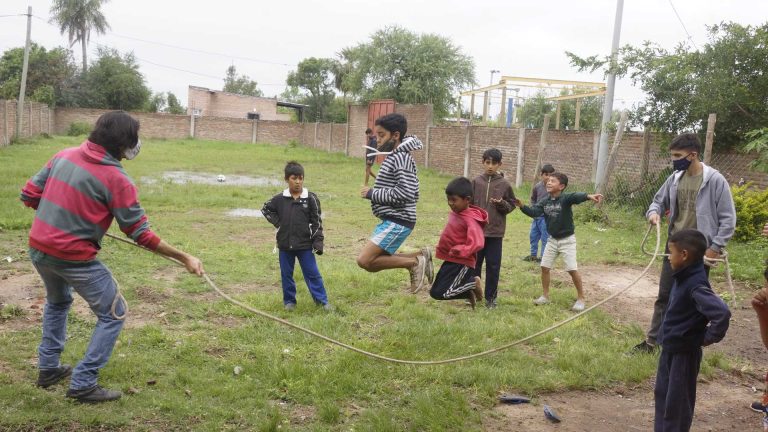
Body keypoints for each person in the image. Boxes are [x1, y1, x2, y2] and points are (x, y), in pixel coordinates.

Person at [20, 111, 204, 403]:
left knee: (57, 303)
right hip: (73, 257)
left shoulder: (63, 155)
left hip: (40, 250)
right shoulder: (117, 179)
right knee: (114, 313)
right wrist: (184, 257)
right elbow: (140, 233)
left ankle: (49, 368)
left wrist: (64, 212)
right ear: (124, 143)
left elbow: (29, 195)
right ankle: (83, 383)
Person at [632, 133, 736, 354]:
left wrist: (715, 247)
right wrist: (653, 213)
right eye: (673, 155)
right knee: (664, 295)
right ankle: (652, 342)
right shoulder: (675, 178)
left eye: (678, 155)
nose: (674, 160)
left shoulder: (715, 180)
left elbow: (728, 219)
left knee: (690, 300)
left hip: (699, 252)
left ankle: (683, 343)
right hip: (675, 249)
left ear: (693, 154)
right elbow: (657, 201)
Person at [653, 229, 730, 432]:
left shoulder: (695, 284)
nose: (669, 257)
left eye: (672, 252)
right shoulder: (682, 277)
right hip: (670, 349)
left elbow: (721, 313)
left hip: (684, 356)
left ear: (684, 255)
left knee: (677, 407)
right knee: (662, 398)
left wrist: (702, 339)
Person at [357, 113, 432, 292]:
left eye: (382, 135)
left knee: (365, 260)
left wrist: (372, 193)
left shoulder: (400, 158)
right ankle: (421, 255)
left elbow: (404, 193)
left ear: (396, 135)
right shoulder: (397, 156)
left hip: (398, 221)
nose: (378, 140)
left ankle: (414, 263)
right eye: (377, 136)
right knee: (376, 258)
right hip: (394, 219)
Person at [514, 172, 603, 312]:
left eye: (552, 181)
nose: (548, 182)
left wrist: (588, 196)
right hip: (552, 240)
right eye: (548, 180)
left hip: (567, 241)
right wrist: (522, 206)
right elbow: (534, 212)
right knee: (544, 267)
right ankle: (545, 296)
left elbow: (576, 196)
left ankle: (581, 298)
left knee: (572, 270)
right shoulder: (545, 201)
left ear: (561, 186)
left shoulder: (565, 198)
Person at [261, 161, 331, 311]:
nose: (298, 182)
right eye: (294, 178)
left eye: (301, 178)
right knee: (286, 275)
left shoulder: (311, 198)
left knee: (312, 274)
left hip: (305, 245)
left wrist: (318, 242)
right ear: (287, 179)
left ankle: (322, 302)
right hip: (285, 245)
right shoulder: (279, 199)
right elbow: (266, 209)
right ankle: (289, 302)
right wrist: (279, 223)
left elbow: (317, 222)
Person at [430, 177, 488, 309]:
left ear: (467, 200)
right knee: (435, 292)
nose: (450, 203)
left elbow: (478, 242)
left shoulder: (470, 219)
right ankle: (468, 291)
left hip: (462, 262)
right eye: (448, 199)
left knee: (444, 293)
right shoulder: (456, 212)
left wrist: (462, 250)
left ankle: (473, 283)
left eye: (454, 200)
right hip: (450, 259)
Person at [471, 148, 516, 308]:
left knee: (493, 265)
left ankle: (491, 298)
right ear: (483, 162)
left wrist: (502, 204)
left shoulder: (504, 184)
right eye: (487, 162)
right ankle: (473, 293)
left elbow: (512, 204)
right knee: (474, 264)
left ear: (500, 164)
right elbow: (468, 204)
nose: (490, 166)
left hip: (495, 233)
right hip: (477, 232)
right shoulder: (476, 182)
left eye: (494, 163)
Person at [524, 164, 555, 262]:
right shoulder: (537, 186)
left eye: (551, 175)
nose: (548, 177)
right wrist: (533, 209)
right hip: (536, 217)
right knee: (533, 236)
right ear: (541, 175)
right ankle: (533, 255)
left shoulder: (554, 188)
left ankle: (543, 258)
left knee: (545, 238)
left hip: (546, 218)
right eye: (546, 174)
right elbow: (533, 199)